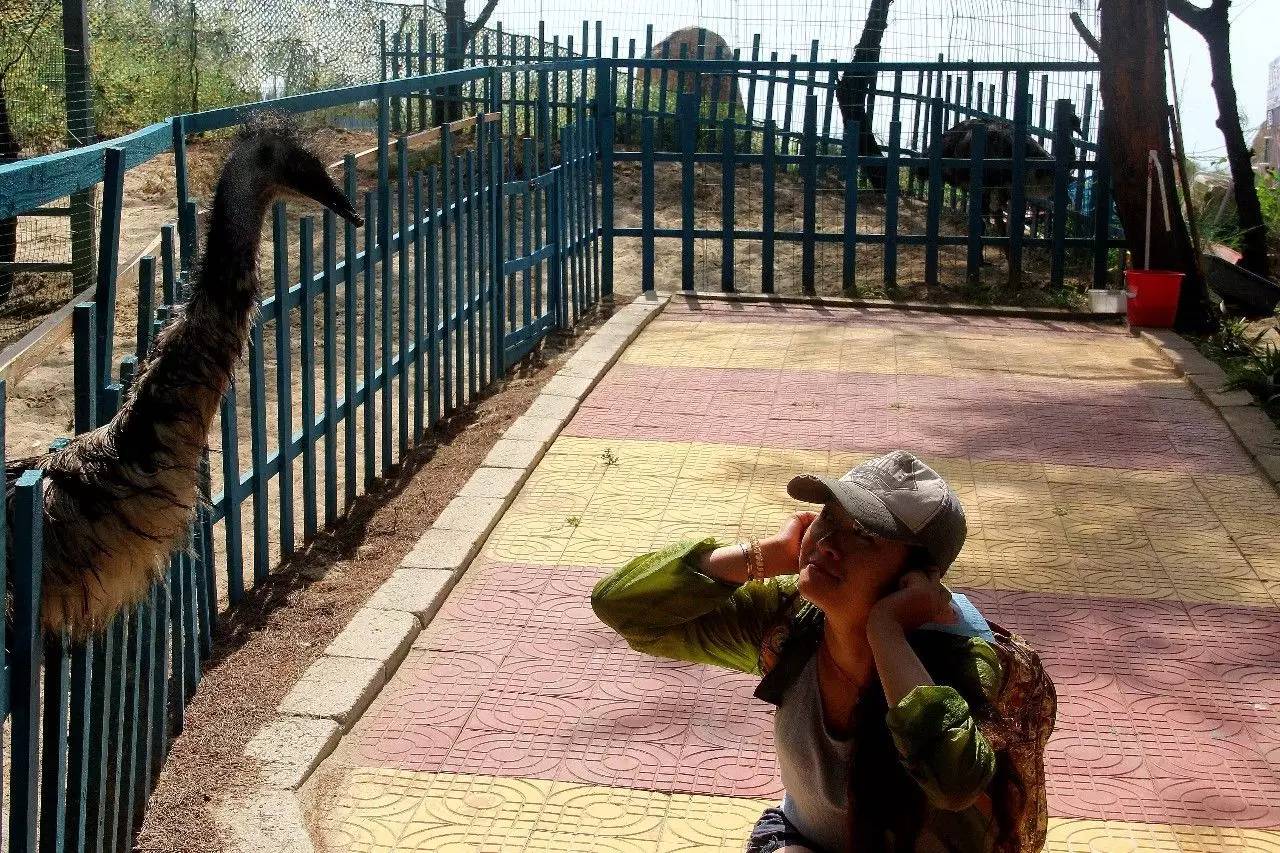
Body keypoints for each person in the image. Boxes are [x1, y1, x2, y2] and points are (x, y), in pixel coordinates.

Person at [592, 450, 1036, 853]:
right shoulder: (792, 624)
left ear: (917, 578)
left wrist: (886, 632)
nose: (827, 544)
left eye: (864, 536)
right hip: (802, 838)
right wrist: (763, 557)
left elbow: (954, 784)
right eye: (829, 519)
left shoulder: (968, 661)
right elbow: (624, 607)